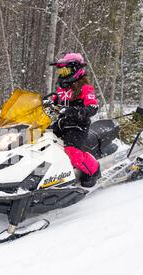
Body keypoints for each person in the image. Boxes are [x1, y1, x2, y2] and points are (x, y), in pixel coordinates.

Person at [45, 52, 101, 188]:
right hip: (62, 123)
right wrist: (45, 102)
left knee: (72, 153)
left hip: (78, 125)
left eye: (65, 70)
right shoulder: (62, 88)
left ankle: (94, 171)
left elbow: (93, 108)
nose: (62, 73)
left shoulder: (86, 88)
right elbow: (55, 100)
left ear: (75, 70)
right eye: (61, 70)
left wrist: (72, 110)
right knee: (38, 139)